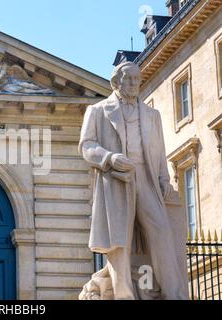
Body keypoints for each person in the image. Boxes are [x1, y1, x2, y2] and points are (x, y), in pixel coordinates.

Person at [79, 62, 189, 300]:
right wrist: (109, 158)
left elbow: (159, 152)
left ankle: (175, 294)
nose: (133, 84)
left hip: (146, 177)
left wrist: (164, 180)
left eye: (137, 80)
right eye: (128, 79)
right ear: (116, 82)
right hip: (116, 179)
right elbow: (86, 146)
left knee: (161, 233)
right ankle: (124, 295)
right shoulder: (98, 110)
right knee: (120, 242)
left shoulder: (152, 115)